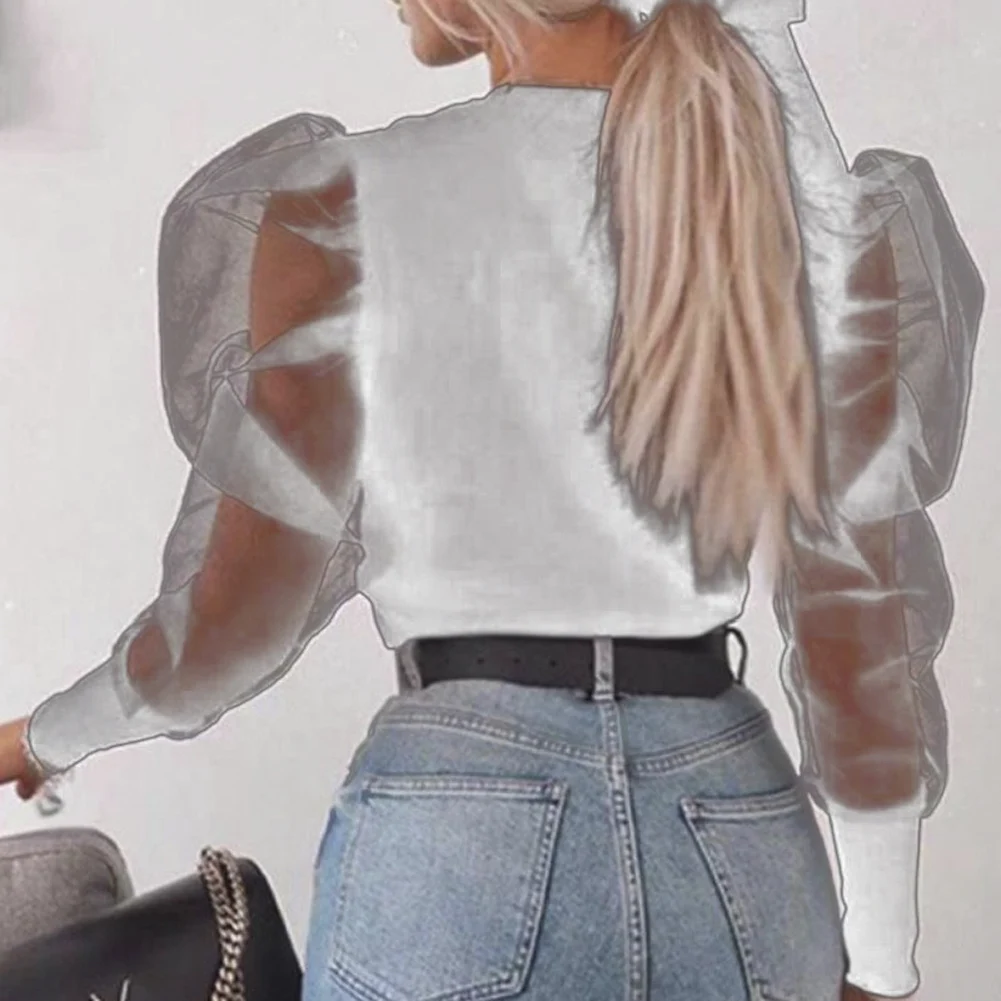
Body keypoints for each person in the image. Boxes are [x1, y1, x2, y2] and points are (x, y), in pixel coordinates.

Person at [0, 0, 980, 999]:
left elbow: (233, 626)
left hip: (460, 829)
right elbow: (854, 622)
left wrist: (44, 737)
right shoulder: (787, 196)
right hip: (732, 822)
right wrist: (879, 958)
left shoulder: (340, 203)